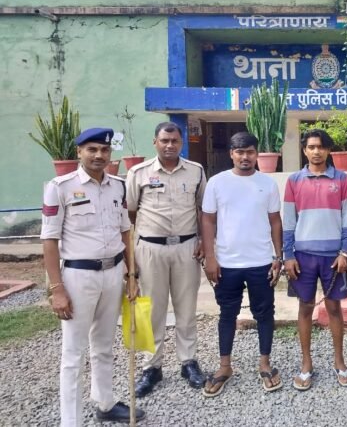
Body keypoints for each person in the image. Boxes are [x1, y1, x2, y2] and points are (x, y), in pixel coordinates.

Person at [40, 127, 145, 426]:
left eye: (104, 150)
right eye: (92, 149)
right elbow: (49, 240)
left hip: (113, 273)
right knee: (73, 353)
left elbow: (125, 231)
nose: (99, 155)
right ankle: (70, 421)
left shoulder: (118, 186)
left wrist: (132, 275)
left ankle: (105, 403)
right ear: (79, 152)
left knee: (104, 344)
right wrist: (57, 289)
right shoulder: (60, 187)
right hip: (78, 276)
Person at [126, 121, 207, 397]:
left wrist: (203, 241)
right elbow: (130, 212)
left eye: (174, 141)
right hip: (151, 249)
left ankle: (188, 362)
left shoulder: (195, 171)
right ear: (155, 142)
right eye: (164, 141)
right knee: (151, 309)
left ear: (181, 143)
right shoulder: (138, 173)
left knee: (186, 308)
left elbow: (202, 208)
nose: (170, 145)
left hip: (186, 248)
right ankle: (152, 367)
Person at [200, 132, 283, 397]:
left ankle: (265, 364)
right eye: (239, 152)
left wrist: (278, 257)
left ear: (256, 154)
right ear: (231, 154)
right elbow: (208, 221)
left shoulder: (267, 183)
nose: (245, 157)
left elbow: (275, 221)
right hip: (227, 262)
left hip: (261, 261)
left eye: (249, 152)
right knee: (227, 314)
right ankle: (225, 366)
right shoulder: (217, 182)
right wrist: (210, 257)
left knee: (264, 313)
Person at [283, 128, 347, 391]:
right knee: (305, 307)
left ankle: (340, 362)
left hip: (333, 258)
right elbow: (288, 221)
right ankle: (306, 364)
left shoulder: (342, 179)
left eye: (321, 147)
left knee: (334, 308)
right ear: (304, 150)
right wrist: (288, 255)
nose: (316, 151)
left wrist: (345, 252)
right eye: (311, 147)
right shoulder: (294, 180)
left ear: (328, 150)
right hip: (302, 257)